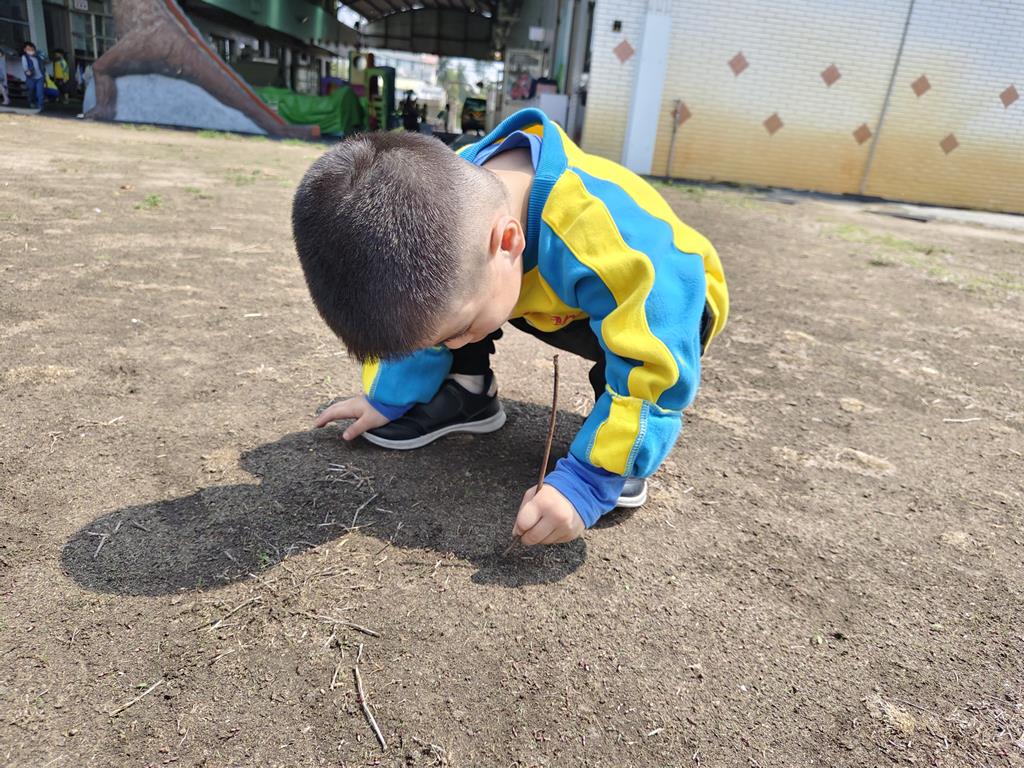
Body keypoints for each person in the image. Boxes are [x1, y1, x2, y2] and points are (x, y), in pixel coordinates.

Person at [292, 108, 729, 545]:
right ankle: (467, 391)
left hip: (673, 307)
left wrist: (589, 481)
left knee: (629, 354)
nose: (454, 344)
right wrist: (388, 396)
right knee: (458, 303)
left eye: (460, 331)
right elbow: (421, 310)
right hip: (542, 288)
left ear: (508, 241)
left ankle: (617, 447)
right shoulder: (450, 200)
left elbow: (657, 360)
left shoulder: (611, 243)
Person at [20, 41, 44, 111]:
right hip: (31, 78)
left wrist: (37, 55)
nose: (30, 50)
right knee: (31, 91)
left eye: (32, 49)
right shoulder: (24, 57)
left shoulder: (38, 56)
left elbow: (43, 61)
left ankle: (40, 106)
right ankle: (31, 102)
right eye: (28, 49)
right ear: (24, 50)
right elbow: (25, 66)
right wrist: (27, 71)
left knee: (40, 93)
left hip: (40, 77)